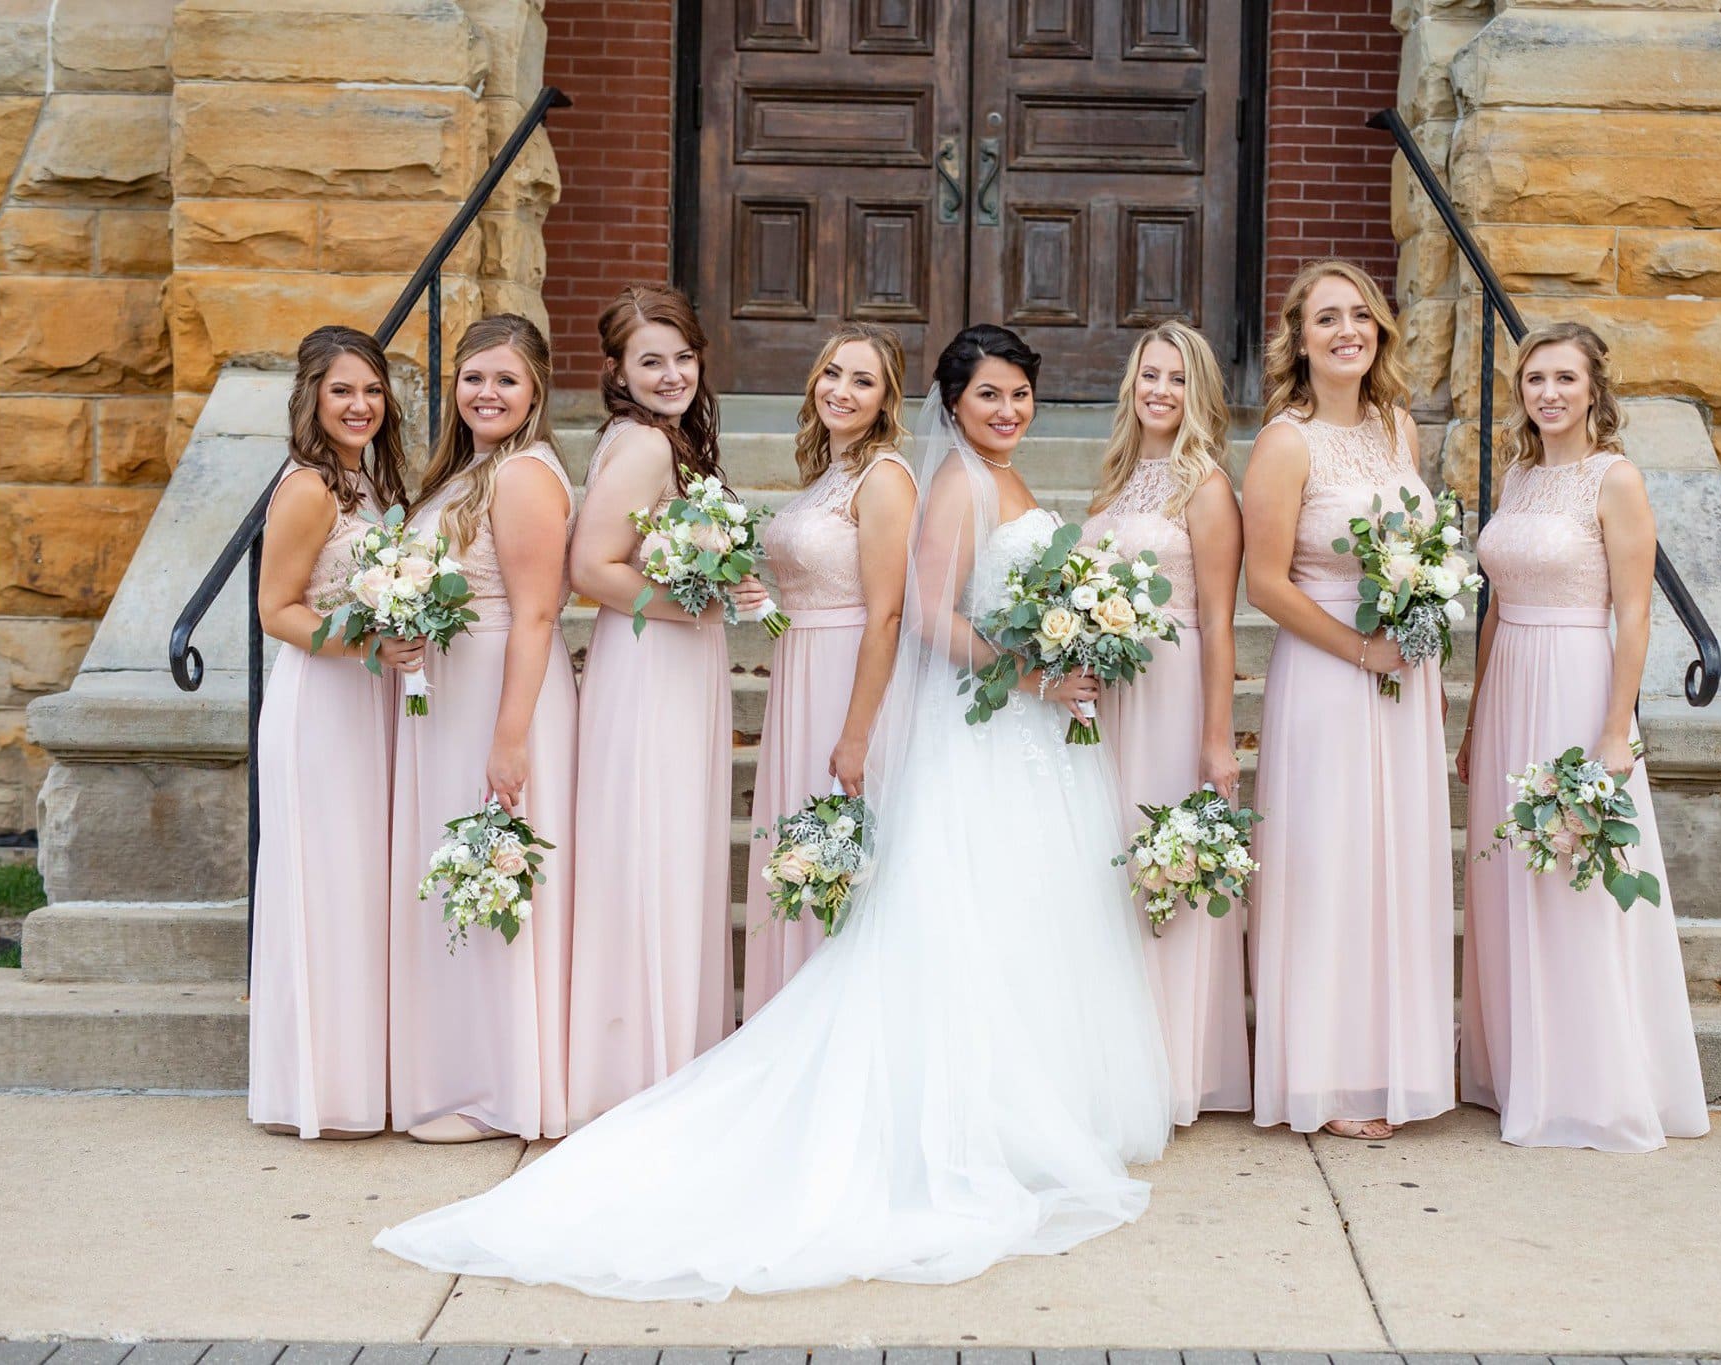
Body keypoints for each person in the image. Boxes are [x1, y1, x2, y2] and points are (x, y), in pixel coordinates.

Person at [374, 324, 1170, 1301]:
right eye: (987, 395)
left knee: (982, 907)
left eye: (1018, 395)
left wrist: (1042, 662)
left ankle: (989, 1093)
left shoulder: (902, 481)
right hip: (860, 690)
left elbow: (900, 613)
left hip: (915, 707)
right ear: (949, 404)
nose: (1004, 411)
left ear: (895, 399)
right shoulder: (891, 481)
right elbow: (905, 609)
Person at [1456, 321, 1709, 1152]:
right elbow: (1496, 608)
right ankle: (1518, 1067)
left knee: (1576, 878)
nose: (1548, 393)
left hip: (1575, 682)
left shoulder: (1616, 479)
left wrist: (1615, 731)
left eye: (1564, 378)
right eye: (1534, 379)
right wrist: (1473, 716)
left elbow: (1633, 614)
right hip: (1509, 688)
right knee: (1508, 878)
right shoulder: (1519, 476)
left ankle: (1588, 1084)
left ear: (1595, 389)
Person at [1243, 260, 1456, 1141]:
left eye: (1360, 315)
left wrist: (1421, 613)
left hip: (1403, 679)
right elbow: (1264, 582)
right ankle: (1323, 1077)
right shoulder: (1285, 442)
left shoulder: (1397, 427)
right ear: (1299, 338)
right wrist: (1362, 649)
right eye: (1326, 318)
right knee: (1328, 863)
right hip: (1330, 674)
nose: (1347, 331)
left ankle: (1388, 1066)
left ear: (1381, 332)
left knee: (1392, 863)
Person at [387, 314, 578, 1144]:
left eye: (505, 379)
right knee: (457, 874)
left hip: (504, 691)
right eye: (473, 377)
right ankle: (458, 1067)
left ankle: (503, 1084)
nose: (486, 393)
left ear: (535, 388)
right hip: (449, 692)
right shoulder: (466, 471)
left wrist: (510, 737)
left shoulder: (527, 475)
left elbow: (537, 614)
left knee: (496, 870)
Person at [565, 286, 741, 1125]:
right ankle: (635, 1064)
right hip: (648, 667)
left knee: (666, 847)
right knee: (649, 848)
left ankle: (662, 1050)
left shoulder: (671, 439)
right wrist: (699, 601)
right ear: (617, 372)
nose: (671, 374)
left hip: (673, 660)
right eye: (650, 361)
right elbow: (591, 569)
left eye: (682, 357)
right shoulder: (640, 445)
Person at [249, 325, 417, 1139]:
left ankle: (360, 1078)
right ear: (312, 396)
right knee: (325, 887)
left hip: (369, 699)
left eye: (373, 390)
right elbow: (276, 610)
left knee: (361, 889)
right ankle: (315, 1089)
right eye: (343, 390)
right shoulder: (310, 487)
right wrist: (367, 644)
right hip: (321, 699)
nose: (361, 405)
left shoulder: (365, 483)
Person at [1082, 322, 1249, 1125]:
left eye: (1177, 379)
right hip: (1109, 697)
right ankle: (1114, 1062)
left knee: (1166, 867)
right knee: (1109, 869)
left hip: (1172, 689)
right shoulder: (1114, 480)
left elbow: (1218, 622)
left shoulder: (1207, 486)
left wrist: (1216, 736)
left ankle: (1171, 1071)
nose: (1160, 391)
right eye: (1150, 375)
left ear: (1199, 393)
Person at [741, 323, 917, 1014]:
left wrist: (856, 733)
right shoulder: (826, 474)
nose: (841, 390)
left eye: (862, 380)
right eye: (833, 373)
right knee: (801, 849)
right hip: (799, 668)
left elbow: (886, 615)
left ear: (886, 399)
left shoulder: (884, 477)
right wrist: (764, 604)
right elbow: (811, 592)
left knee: (840, 854)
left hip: (849, 679)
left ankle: (837, 1025)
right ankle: (788, 1016)